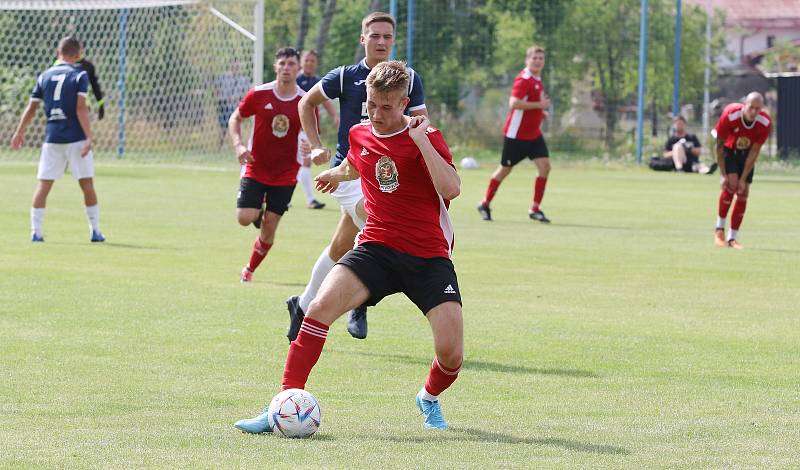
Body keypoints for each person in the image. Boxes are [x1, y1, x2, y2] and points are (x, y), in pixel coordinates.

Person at [234, 60, 462, 433]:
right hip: (377, 245)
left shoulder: (427, 135)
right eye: (371, 105)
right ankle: (282, 404)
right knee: (319, 309)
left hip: (428, 255)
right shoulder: (360, 132)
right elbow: (358, 164)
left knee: (451, 353)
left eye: (386, 107)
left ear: (404, 103)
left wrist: (421, 141)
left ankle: (428, 397)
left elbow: (451, 188)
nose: (377, 114)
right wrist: (336, 173)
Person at [286, 11, 427, 340]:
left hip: (388, 174)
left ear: (393, 41)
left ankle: (303, 304)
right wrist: (316, 145)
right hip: (347, 171)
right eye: (374, 36)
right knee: (375, 225)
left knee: (341, 245)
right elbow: (306, 104)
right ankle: (358, 303)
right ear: (362, 39)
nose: (381, 42)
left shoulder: (408, 78)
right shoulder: (345, 76)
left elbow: (424, 124)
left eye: (387, 37)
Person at [10, 36, 104, 243]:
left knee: (43, 186)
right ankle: (95, 231)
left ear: (57, 53)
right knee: (87, 184)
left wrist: (19, 132)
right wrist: (89, 136)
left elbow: (32, 107)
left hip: (52, 139)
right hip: (76, 138)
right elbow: (81, 108)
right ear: (78, 54)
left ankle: (36, 232)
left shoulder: (44, 76)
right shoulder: (80, 75)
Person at [228, 47, 306, 282]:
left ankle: (249, 270)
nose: (286, 68)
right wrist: (239, 145)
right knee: (244, 217)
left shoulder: (304, 100)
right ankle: (257, 206)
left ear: (298, 68)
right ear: (275, 67)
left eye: (291, 63)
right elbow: (235, 118)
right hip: (255, 167)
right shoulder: (259, 94)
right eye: (282, 63)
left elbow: (312, 135)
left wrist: (312, 148)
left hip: (286, 173)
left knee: (270, 226)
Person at [477, 46, 552, 223]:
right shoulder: (524, 79)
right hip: (516, 135)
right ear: (527, 60)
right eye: (535, 58)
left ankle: (535, 208)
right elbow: (514, 103)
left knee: (545, 167)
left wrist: (541, 113)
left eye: (541, 58)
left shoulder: (537, 79)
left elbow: (531, 104)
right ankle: (485, 203)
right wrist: (539, 106)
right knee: (505, 170)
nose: (538, 61)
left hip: (533, 135)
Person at [712, 92, 771, 249]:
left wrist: (743, 178)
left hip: (746, 154)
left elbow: (754, 151)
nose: (754, 112)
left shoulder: (764, 122)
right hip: (729, 150)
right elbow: (719, 145)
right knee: (730, 185)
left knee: (743, 192)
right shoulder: (730, 115)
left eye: (758, 109)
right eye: (751, 107)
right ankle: (719, 230)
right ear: (745, 104)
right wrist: (723, 174)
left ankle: (732, 238)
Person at [295, 49, 339, 210]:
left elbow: (326, 102)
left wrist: (335, 116)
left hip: (308, 129)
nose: (309, 63)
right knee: (298, 163)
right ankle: (308, 199)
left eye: (312, 61)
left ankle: (309, 199)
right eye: (306, 60)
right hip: (293, 129)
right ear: (300, 62)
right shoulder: (295, 79)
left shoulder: (319, 81)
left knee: (304, 162)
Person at [217, 60, 251, 148]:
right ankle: (221, 144)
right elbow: (218, 89)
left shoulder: (243, 79)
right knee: (223, 124)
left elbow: (246, 92)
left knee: (237, 122)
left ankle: (238, 143)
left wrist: (238, 98)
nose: (235, 68)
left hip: (236, 103)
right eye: (234, 66)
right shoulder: (224, 77)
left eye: (237, 67)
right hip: (224, 103)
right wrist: (222, 97)